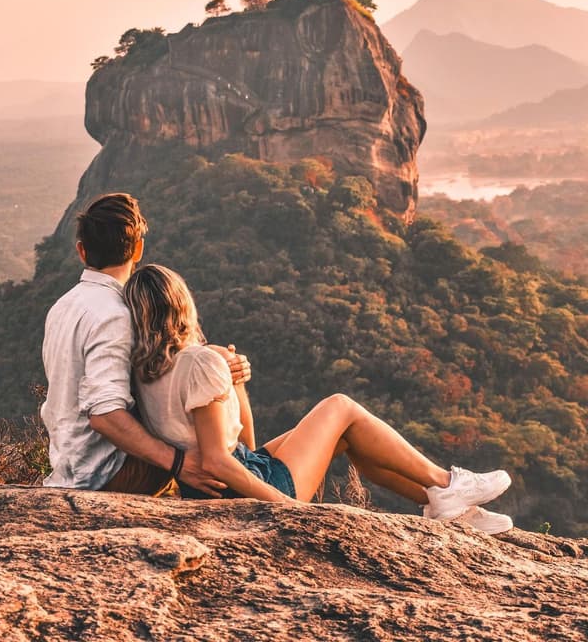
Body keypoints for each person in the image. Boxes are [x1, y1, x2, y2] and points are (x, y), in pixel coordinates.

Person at [123, 264, 514, 534]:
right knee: (340, 405)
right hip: (243, 487)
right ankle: (447, 483)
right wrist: (288, 509)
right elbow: (218, 460)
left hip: (220, 484)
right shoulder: (199, 362)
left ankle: (447, 507)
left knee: (346, 435)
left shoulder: (145, 371)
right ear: (182, 305)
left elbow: (243, 445)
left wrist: (235, 382)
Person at [41, 192, 250, 496]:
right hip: (109, 474)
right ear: (138, 248)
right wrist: (178, 462)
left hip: (69, 468)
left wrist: (213, 356)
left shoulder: (63, 306)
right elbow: (104, 414)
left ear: (82, 252)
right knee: (205, 434)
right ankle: (254, 480)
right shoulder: (116, 314)